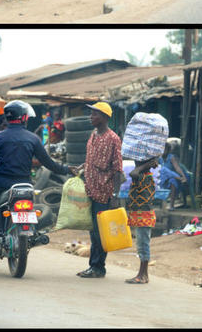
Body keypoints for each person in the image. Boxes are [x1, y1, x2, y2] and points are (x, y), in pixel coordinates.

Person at [0, 100, 76, 273]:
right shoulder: (33, 138)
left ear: (8, 118)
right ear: (23, 117)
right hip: (25, 187)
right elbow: (49, 163)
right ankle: (31, 234)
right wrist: (67, 169)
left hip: (0, 186)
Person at [77, 101, 124, 279]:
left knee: (99, 233)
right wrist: (81, 167)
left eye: (94, 114)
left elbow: (118, 168)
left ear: (104, 117)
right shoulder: (93, 135)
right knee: (93, 231)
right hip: (90, 189)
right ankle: (93, 266)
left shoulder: (113, 138)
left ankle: (98, 267)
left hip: (105, 192)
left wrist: (115, 195)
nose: (91, 117)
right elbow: (91, 160)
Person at [125, 156, 158, 284]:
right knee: (142, 244)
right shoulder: (145, 175)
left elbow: (133, 172)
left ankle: (143, 275)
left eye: (138, 162)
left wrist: (147, 164)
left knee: (143, 245)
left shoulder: (143, 175)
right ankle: (142, 274)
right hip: (141, 214)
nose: (135, 163)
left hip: (144, 215)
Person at [159, 140, 191, 210]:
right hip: (162, 177)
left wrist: (183, 175)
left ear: (168, 150)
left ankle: (171, 205)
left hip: (173, 177)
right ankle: (162, 205)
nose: (163, 151)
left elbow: (177, 167)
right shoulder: (159, 158)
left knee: (172, 181)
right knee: (164, 170)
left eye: (165, 149)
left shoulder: (171, 157)